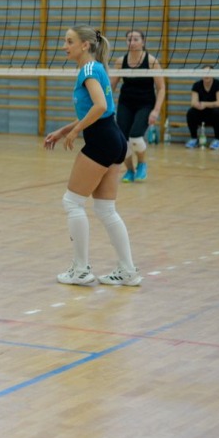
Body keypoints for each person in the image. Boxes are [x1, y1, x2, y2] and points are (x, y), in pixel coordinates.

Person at [44, 26, 142, 287]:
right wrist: (64, 130)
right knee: (105, 209)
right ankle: (128, 270)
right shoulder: (95, 67)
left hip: (102, 140)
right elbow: (99, 110)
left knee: (72, 202)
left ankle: (80, 270)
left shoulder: (88, 70)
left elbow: (100, 106)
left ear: (85, 45)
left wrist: (76, 131)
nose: (64, 46)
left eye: (69, 41)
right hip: (113, 138)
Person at [110, 29, 165, 182]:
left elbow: (161, 88)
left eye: (135, 39)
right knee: (122, 140)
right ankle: (129, 170)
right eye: (129, 39)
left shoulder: (151, 61)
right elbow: (111, 86)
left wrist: (156, 111)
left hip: (145, 104)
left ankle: (142, 164)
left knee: (135, 136)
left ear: (143, 42)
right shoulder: (121, 61)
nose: (132, 43)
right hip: (126, 103)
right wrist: (103, 103)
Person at [185, 65, 219, 149]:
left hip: (214, 116)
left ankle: (217, 140)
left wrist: (205, 104)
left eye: (209, 73)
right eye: (204, 73)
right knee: (191, 112)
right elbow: (193, 102)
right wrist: (197, 105)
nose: (206, 75)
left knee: (217, 112)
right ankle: (194, 139)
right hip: (202, 114)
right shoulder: (197, 85)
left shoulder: (218, 84)